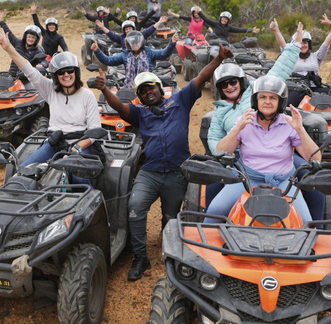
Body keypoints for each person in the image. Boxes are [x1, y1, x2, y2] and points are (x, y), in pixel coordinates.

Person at [94, 47, 233, 281]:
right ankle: (141, 257)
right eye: (143, 91)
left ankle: (167, 242)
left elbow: (201, 77)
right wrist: (105, 89)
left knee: (171, 217)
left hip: (177, 173)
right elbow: (119, 107)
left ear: (160, 88)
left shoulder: (180, 101)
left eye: (151, 88)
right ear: (140, 96)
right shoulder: (140, 114)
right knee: (135, 208)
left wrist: (218, 58)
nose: (149, 92)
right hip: (150, 172)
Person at [208, 76, 320, 223]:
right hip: (247, 179)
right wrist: (238, 128)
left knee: (305, 221)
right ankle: (205, 245)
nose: (267, 101)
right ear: (256, 100)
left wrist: (300, 130)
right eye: (263, 97)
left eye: (273, 98)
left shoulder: (289, 124)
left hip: (283, 181)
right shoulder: (244, 120)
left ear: (280, 102)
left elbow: (315, 159)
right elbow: (220, 152)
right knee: (215, 210)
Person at [0, 29, 101, 184]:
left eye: (70, 70)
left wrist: (74, 150)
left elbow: (93, 133)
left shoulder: (87, 95)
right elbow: (29, 71)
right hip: (54, 142)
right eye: (61, 72)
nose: (66, 75)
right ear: (55, 75)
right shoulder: (50, 89)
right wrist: (9, 48)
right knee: (24, 172)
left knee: (80, 178)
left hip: (79, 144)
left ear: (76, 72)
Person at [270, 16, 331, 109]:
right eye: (300, 42)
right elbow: (283, 45)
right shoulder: (291, 56)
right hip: (297, 89)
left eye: (305, 43)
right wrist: (276, 30)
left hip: (315, 88)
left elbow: (326, 43)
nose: (302, 45)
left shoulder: (316, 56)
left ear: (309, 44)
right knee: (284, 105)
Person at [91, 30, 179, 88]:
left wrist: (172, 43)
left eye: (137, 42)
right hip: (129, 87)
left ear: (141, 42)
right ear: (128, 44)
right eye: (132, 43)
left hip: (148, 86)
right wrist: (97, 50)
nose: (135, 44)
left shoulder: (149, 52)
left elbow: (164, 53)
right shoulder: (124, 54)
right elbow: (108, 60)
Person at [0, 11, 48, 78]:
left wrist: (41, 65)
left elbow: (45, 61)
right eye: (29, 37)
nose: (30, 39)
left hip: (26, 79)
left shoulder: (37, 51)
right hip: (11, 76)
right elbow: (8, 32)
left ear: (36, 40)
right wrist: (1, 21)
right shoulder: (18, 42)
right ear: (25, 37)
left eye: (33, 38)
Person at [95, 15, 167, 47]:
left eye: (129, 29)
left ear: (133, 29)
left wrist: (159, 22)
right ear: (124, 30)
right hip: (125, 59)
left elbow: (149, 30)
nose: (128, 30)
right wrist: (103, 27)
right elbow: (111, 34)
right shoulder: (121, 38)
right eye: (126, 29)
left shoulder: (139, 35)